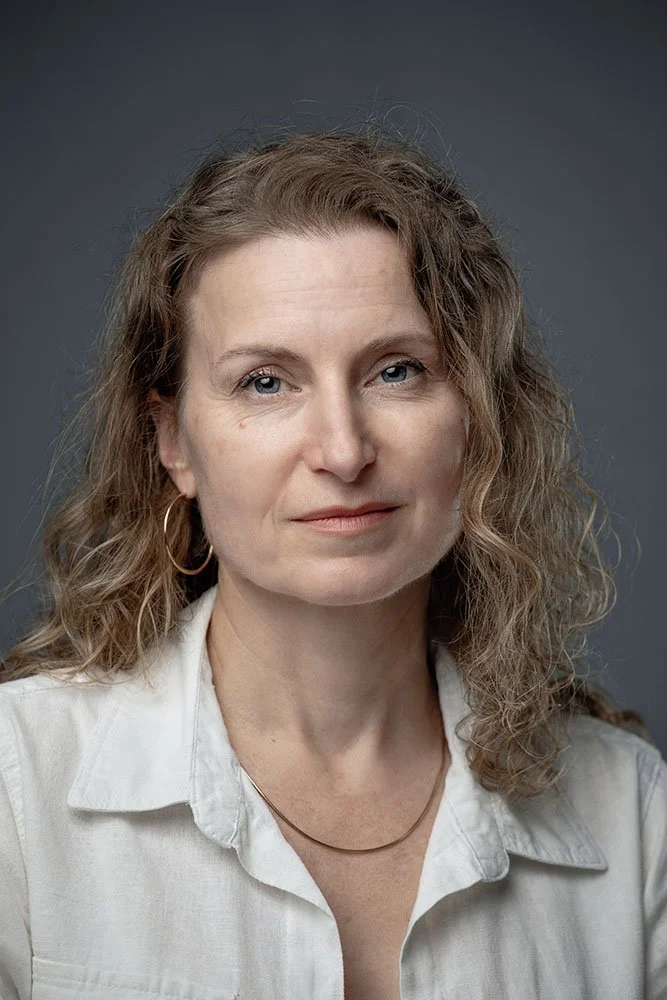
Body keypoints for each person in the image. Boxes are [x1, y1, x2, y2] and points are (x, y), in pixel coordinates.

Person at [0, 126, 664, 1000]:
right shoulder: (16, 787)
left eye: (396, 370)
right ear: (172, 441)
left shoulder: (632, 811)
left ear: (479, 422)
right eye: (265, 383)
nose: (343, 451)